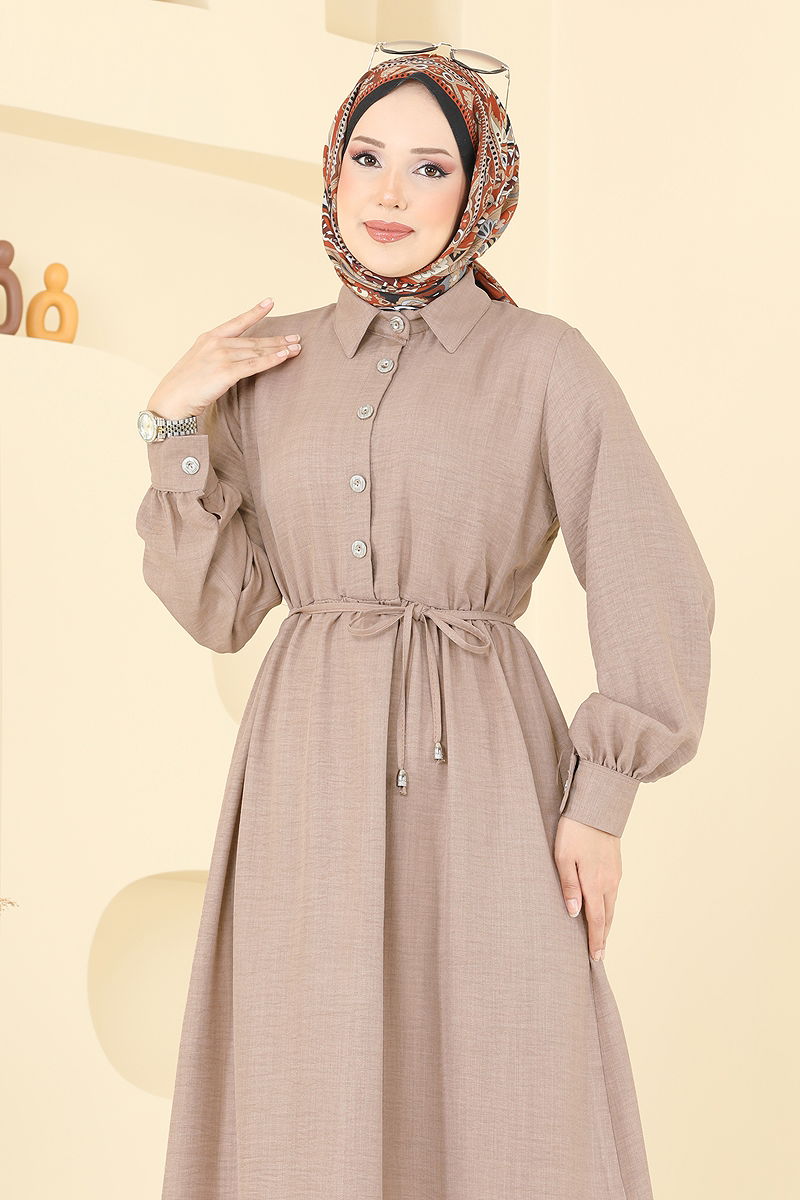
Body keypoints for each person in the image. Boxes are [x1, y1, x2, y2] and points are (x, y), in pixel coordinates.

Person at [135, 45, 714, 1200]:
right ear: (332, 170)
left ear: (478, 189)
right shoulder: (268, 369)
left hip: (486, 767)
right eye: (366, 157)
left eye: (429, 166)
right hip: (305, 771)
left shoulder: (542, 362)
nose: (389, 193)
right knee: (306, 1065)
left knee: (507, 1063)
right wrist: (171, 425)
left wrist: (601, 798)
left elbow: (651, 567)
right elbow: (221, 608)